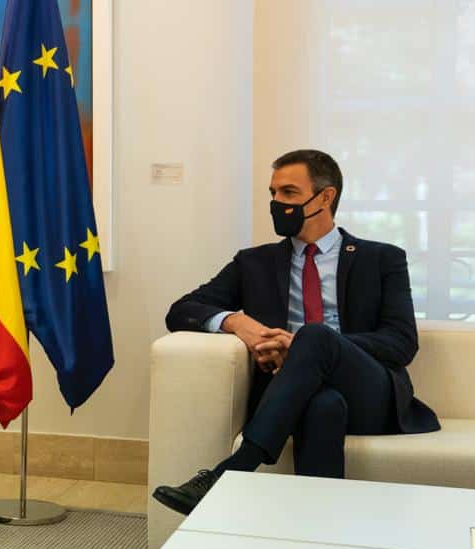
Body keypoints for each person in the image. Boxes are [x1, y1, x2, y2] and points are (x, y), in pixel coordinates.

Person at [154, 149, 439, 515]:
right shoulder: (253, 263)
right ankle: (317, 536)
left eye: (288, 193)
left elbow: (401, 342)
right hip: (296, 391)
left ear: (325, 197)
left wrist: (308, 345)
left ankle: (232, 472)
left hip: (370, 392)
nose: (276, 203)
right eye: (272, 193)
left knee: (316, 336)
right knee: (322, 406)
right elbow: (181, 311)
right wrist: (236, 322)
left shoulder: (381, 259)